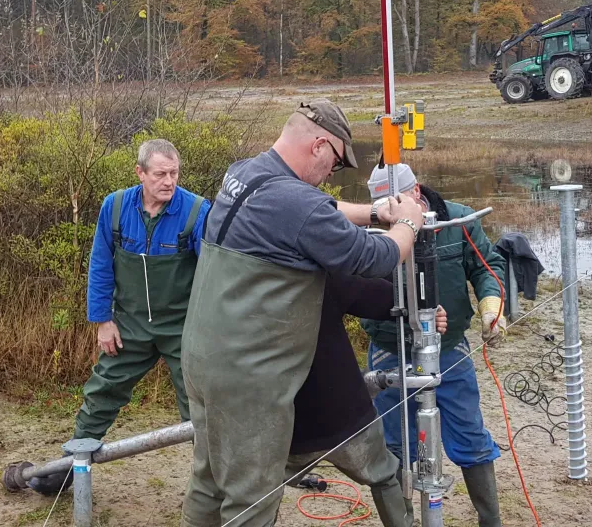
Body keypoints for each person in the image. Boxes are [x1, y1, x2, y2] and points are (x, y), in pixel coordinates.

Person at [181, 99, 425, 527]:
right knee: (251, 499)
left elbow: (315, 208)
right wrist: (407, 223)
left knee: (210, 479)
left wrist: (374, 211)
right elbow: (375, 257)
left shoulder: (244, 173)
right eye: (336, 163)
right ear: (319, 146)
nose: (332, 174)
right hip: (250, 380)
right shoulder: (296, 203)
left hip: (203, 361)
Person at [29, 139, 209, 494]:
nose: (169, 182)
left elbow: (214, 275)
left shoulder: (197, 211)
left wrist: (210, 331)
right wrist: (103, 320)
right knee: (103, 390)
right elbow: (100, 265)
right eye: (160, 174)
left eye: (174, 173)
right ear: (140, 173)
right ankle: (68, 469)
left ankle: (212, 486)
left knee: (200, 405)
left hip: (183, 327)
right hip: (129, 324)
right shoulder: (114, 207)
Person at [363, 163, 507, 527]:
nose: (389, 215)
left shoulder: (457, 221)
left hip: (449, 349)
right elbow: (357, 291)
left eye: (394, 204)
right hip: (390, 351)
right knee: (393, 447)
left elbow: (487, 266)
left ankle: (491, 520)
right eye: (381, 208)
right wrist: (411, 316)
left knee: (471, 438)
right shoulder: (369, 233)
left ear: (416, 192)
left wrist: (491, 306)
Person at [287, 275, 448, 527]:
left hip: (285, 423)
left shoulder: (242, 282)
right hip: (345, 418)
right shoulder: (321, 276)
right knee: (384, 477)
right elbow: (384, 299)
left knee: (254, 496)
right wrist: (422, 308)